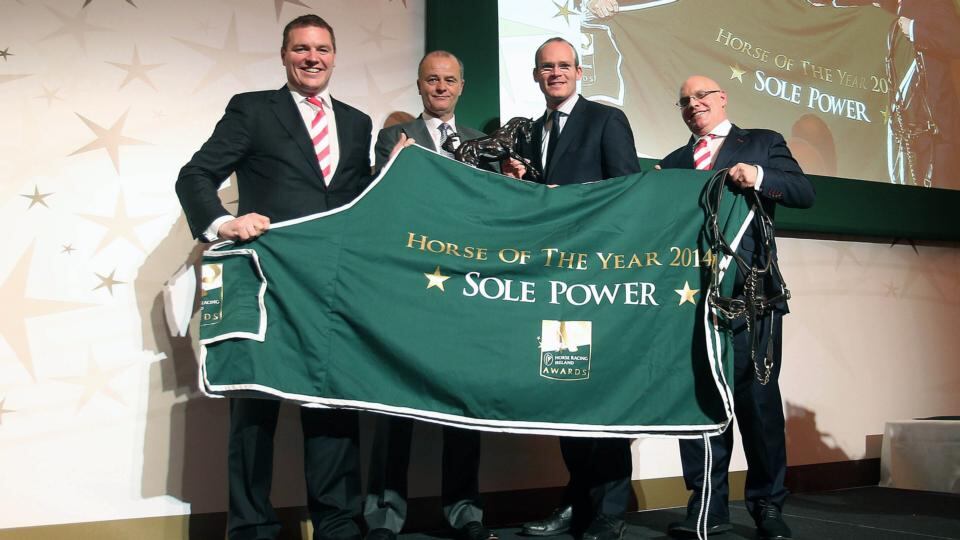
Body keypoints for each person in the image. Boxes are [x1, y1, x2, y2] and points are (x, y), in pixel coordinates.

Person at [175, 14, 373, 540]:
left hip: (331, 288)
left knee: (331, 407)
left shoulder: (357, 123)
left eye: (323, 49)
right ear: (284, 55)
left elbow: (359, 199)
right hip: (264, 281)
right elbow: (194, 176)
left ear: (335, 55)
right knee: (255, 416)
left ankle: (338, 524)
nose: (313, 58)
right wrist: (225, 222)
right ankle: (251, 529)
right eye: (302, 49)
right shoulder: (252, 109)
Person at [657, 76, 815, 540]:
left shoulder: (762, 143)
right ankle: (707, 507)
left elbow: (804, 192)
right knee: (700, 404)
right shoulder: (672, 164)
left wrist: (760, 177)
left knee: (758, 404)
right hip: (695, 300)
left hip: (753, 298)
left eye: (702, 96)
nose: (693, 104)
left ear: (722, 99)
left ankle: (768, 506)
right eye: (684, 100)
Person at [503, 37, 641, 540]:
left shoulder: (606, 120)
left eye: (564, 66)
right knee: (564, 393)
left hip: (597, 283)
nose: (555, 73)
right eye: (547, 67)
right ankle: (576, 504)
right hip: (551, 283)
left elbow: (627, 194)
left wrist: (571, 199)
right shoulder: (529, 132)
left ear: (579, 73)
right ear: (536, 75)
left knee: (604, 398)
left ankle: (608, 511)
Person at [363, 50, 498, 540]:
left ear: (461, 86)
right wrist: (392, 172)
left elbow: (492, 217)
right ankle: (384, 515)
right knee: (393, 403)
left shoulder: (485, 144)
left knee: (463, 404)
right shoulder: (392, 139)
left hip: (466, 292)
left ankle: (465, 511)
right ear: (419, 86)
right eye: (431, 80)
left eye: (449, 80)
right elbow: (378, 207)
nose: (440, 87)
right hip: (407, 290)